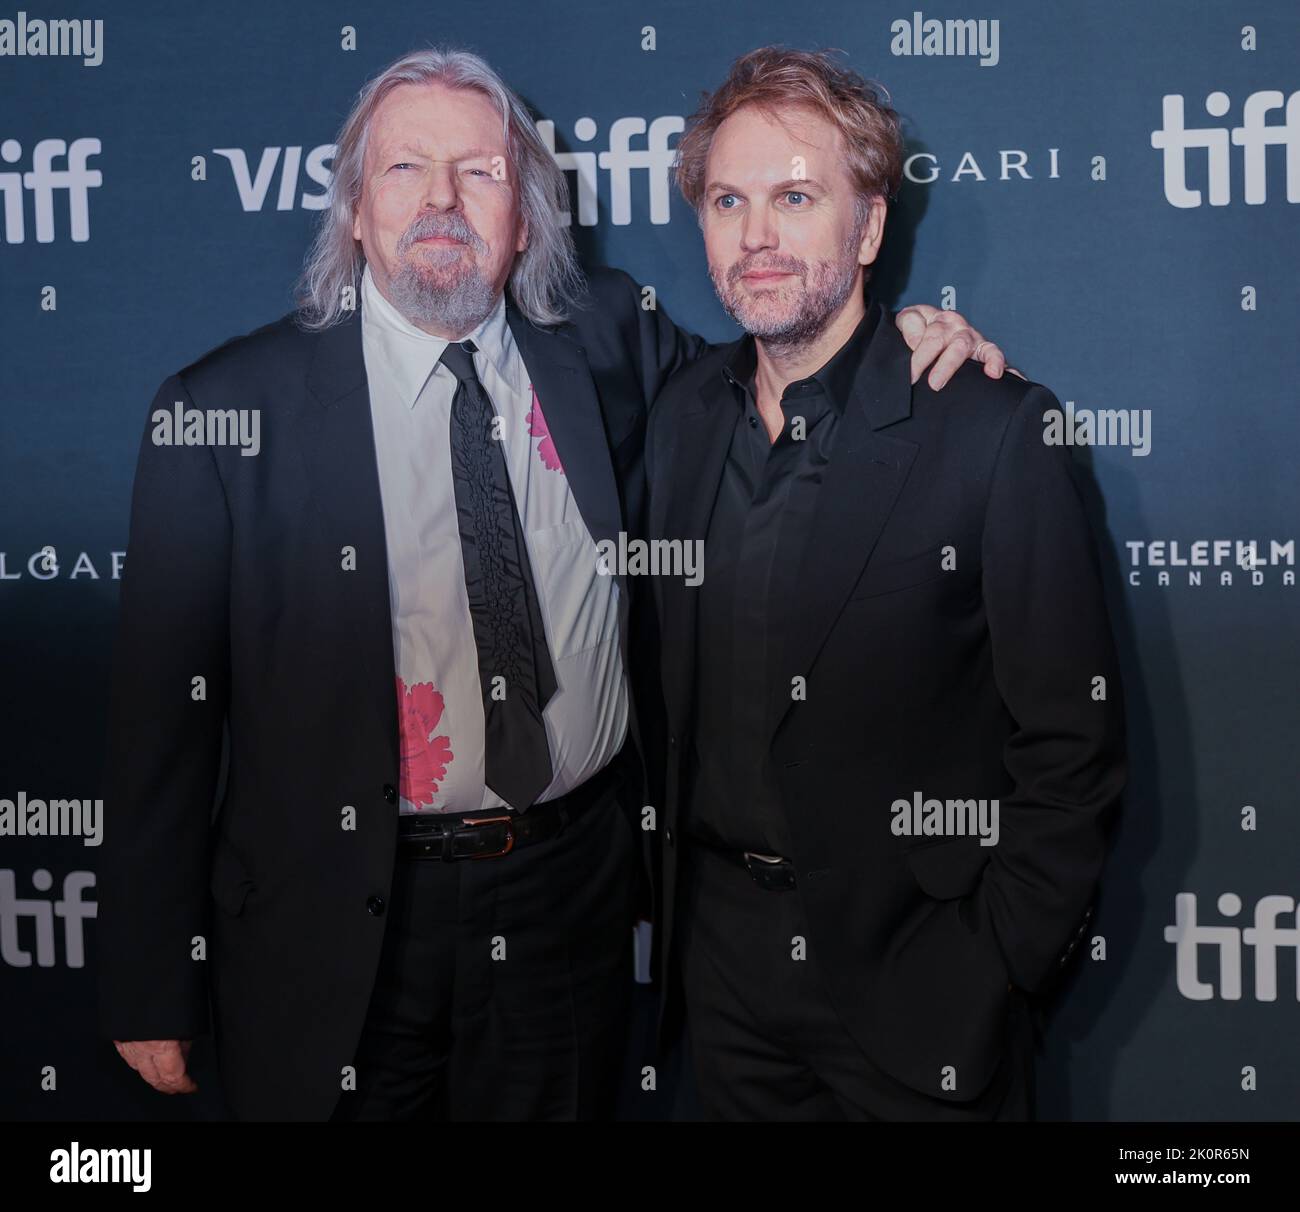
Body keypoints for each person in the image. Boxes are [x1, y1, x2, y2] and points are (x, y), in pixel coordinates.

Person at [97, 46, 1010, 1121]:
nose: (441, 199)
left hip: (569, 902)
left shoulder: (608, 338)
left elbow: (779, 367)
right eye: (403, 171)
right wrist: (148, 977)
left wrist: (900, 334)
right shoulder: (223, 415)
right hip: (335, 920)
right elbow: (160, 726)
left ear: (524, 218)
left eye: (479, 173)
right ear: (352, 211)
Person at [646, 46, 1127, 1120]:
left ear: (867, 229)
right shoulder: (677, 422)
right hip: (718, 985)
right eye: (728, 200)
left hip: (920, 987)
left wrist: (994, 961)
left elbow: (1070, 742)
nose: (756, 234)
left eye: (796, 197)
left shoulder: (991, 433)